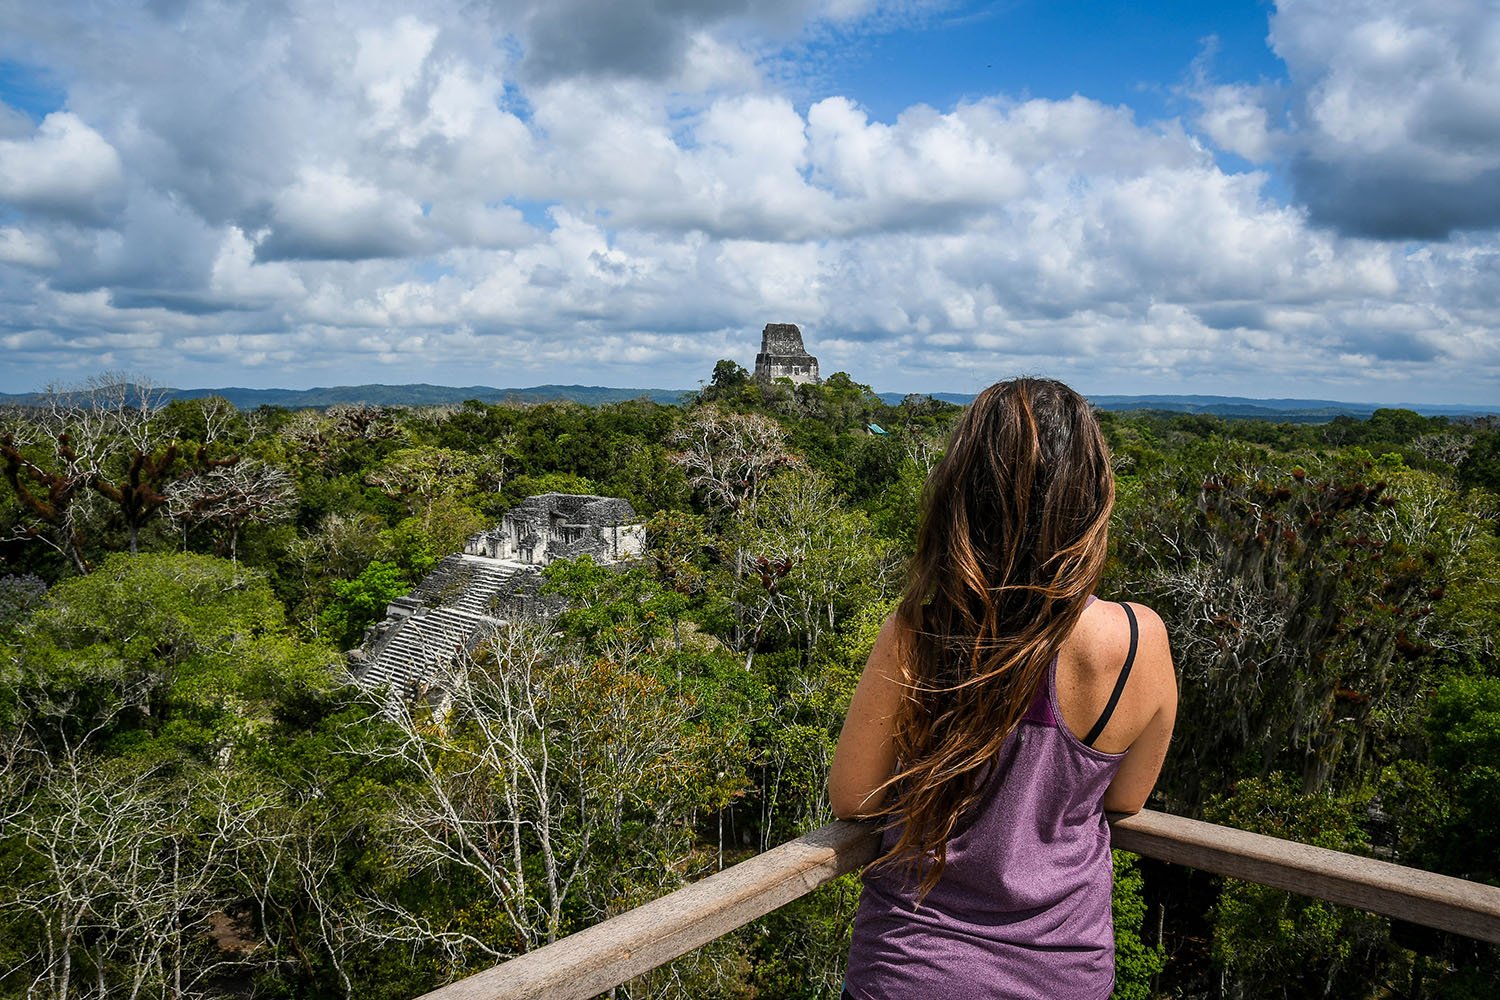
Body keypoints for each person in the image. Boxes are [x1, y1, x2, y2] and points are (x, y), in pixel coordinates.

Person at [829, 377, 1177, 1000]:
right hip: (1062, 972)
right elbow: (1126, 796)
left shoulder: (922, 632)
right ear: (1090, 497)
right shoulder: (1137, 640)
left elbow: (855, 798)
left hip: (913, 967)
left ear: (963, 494)